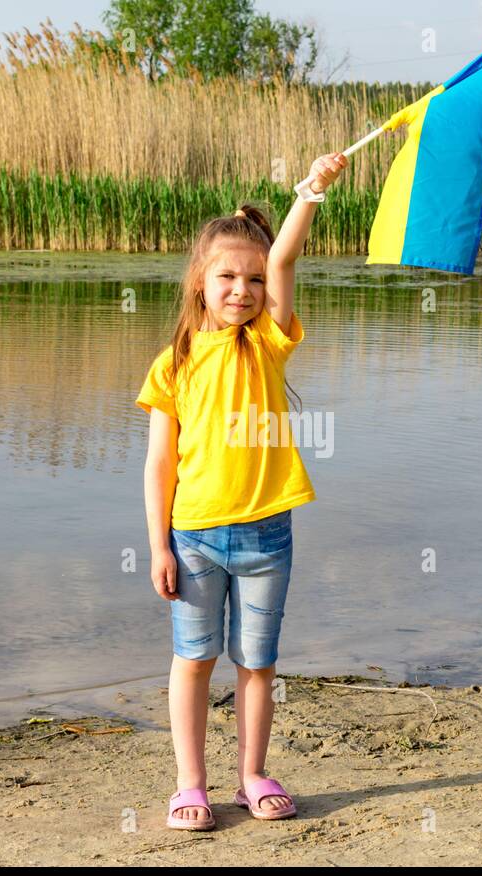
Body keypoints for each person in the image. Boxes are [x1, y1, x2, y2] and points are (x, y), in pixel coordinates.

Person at [136, 153, 347, 830]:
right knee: (193, 660)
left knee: (257, 664)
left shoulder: (269, 343)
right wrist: (157, 546)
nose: (243, 288)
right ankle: (190, 786)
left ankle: (252, 774)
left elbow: (285, 259)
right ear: (200, 282)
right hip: (193, 537)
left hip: (266, 536)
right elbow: (159, 464)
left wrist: (310, 193)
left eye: (253, 278)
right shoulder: (174, 363)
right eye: (227, 276)